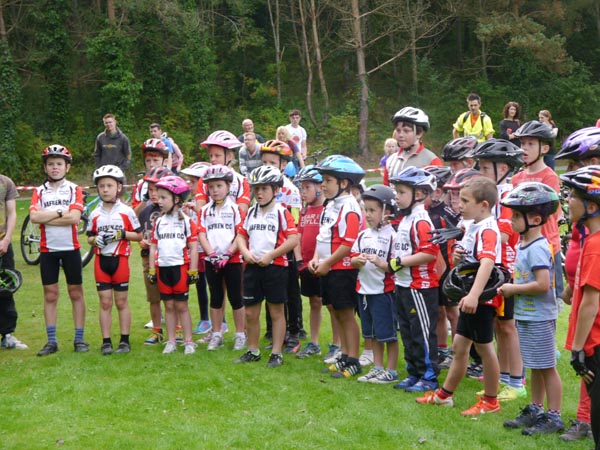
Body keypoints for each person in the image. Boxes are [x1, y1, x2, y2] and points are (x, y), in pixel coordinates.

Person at [417, 177, 502, 416]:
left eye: (465, 201)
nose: (459, 205)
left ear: (483, 205)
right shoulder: (473, 225)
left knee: (485, 348)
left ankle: (491, 401)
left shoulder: (488, 229)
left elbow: (487, 263)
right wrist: (458, 259)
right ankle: (444, 396)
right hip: (470, 294)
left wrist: (474, 295)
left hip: (481, 298)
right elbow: (470, 259)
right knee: (459, 345)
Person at [499, 182, 565, 435]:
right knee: (535, 365)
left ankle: (554, 415)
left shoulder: (537, 247)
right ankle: (536, 409)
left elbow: (542, 284)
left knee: (547, 367)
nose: (512, 220)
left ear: (536, 219)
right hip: (527, 315)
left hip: (540, 317)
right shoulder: (523, 244)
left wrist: (513, 289)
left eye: (517, 215)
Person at [471, 139, 526, 402]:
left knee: (508, 327)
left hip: (508, 269)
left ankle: (517, 380)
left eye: (485, 168)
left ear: (503, 168)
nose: (480, 173)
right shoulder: (494, 194)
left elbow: (503, 236)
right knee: (498, 324)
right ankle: (504, 376)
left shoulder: (508, 196)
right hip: (496, 269)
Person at [554, 126, 600, 441]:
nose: (568, 200)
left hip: (594, 339)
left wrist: (579, 349)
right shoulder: (588, 237)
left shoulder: (596, 244)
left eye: (573, 196)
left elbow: (591, 303)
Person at [235, 166, 299, 367]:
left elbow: (293, 239)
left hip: (276, 267)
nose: (259, 193)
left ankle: (276, 353)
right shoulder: (250, 212)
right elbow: (240, 236)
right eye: (256, 189)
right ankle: (253, 350)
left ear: (275, 190)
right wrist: (245, 253)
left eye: (264, 188)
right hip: (253, 267)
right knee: (250, 313)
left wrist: (272, 254)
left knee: (276, 311)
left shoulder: (282, 212)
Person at [309, 155, 365, 378]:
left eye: (328, 180)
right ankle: (344, 353)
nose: (323, 185)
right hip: (327, 268)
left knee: (346, 314)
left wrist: (327, 263)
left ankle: (353, 359)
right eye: (323, 180)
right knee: (336, 312)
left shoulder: (350, 207)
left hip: (342, 270)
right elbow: (323, 236)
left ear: (343, 183)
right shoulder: (330, 205)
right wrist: (316, 258)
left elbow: (347, 243)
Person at [30, 145, 88, 356]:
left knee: (76, 292)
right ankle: (51, 341)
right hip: (48, 250)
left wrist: (48, 215)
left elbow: (74, 218)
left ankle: (79, 339)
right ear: (45, 167)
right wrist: (61, 211)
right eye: (51, 164)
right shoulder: (39, 191)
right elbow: (34, 218)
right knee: (50, 294)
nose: (55, 167)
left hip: (71, 248)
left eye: (59, 164)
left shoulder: (74, 189)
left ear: (67, 167)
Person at [386, 167, 440, 392]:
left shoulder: (421, 221)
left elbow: (429, 253)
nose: (396, 197)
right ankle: (414, 372)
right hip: (403, 284)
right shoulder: (406, 219)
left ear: (418, 194)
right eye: (396, 192)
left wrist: (400, 262)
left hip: (420, 287)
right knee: (407, 332)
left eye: (401, 192)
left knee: (421, 333)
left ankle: (429, 376)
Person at [87, 165, 142, 355]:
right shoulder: (95, 213)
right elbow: (89, 236)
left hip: (120, 261)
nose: (105, 190)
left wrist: (121, 234)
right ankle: (106, 341)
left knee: (121, 301)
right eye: (101, 186)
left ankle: (124, 340)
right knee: (104, 302)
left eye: (109, 185)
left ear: (118, 187)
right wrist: (95, 240)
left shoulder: (126, 211)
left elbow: (139, 235)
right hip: (101, 261)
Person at [350, 185, 399, 384]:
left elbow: (396, 266)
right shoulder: (363, 235)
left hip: (383, 293)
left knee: (388, 335)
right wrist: (357, 260)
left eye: (372, 210)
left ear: (386, 212)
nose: (368, 215)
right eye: (366, 210)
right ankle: (377, 367)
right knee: (373, 334)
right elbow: (352, 258)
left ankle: (391, 370)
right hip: (364, 292)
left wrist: (381, 263)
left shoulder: (393, 237)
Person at [259, 140, 304, 352]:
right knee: (271, 292)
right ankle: (273, 331)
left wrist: (295, 253)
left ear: (283, 165)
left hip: (287, 249)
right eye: (264, 162)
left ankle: (295, 331)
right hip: (266, 247)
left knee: (291, 293)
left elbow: (295, 223)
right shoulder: (261, 187)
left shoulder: (291, 190)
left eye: (272, 163)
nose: (267, 166)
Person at [511, 121, 563, 301]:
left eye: (531, 143)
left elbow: (551, 213)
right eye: (522, 143)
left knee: (549, 300)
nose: (524, 148)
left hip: (547, 245)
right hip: (523, 245)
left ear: (544, 148)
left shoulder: (550, 177)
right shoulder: (516, 178)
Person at [198, 165, 246, 351]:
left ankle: (240, 334)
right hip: (212, 260)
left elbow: (240, 234)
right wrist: (211, 254)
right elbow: (202, 234)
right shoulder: (204, 210)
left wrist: (228, 253)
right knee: (216, 298)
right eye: (211, 187)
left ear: (228, 186)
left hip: (232, 260)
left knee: (236, 298)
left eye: (219, 186)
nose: (215, 190)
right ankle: (216, 334)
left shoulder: (235, 209)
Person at [148, 176, 198, 355]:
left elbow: (193, 247)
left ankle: (189, 341)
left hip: (180, 268)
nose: (159, 201)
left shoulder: (187, 222)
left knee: (181, 306)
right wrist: (152, 268)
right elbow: (153, 246)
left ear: (176, 199)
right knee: (168, 306)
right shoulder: (159, 221)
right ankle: (171, 341)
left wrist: (193, 269)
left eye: (163, 197)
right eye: (158, 197)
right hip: (163, 268)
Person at [422, 165, 460, 370]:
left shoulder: (447, 213)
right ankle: (441, 350)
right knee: (437, 312)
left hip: (449, 269)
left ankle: (458, 352)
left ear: (438, 191)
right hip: (432, 269)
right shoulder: (423, 212)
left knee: (453, 312)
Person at [294, 166, 332, 359]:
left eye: (307, 187)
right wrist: (299, 260)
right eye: (302, 188)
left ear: (319, 187)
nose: (303, 192)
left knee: (333, 305)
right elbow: (298, 235)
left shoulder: (328, 209)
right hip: (307, 264)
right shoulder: (305, 210)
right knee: (314, 302)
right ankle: (314, 343)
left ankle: (337, 344)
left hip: (325, 263)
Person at [138, 166, 172, 345]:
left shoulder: (174, 212)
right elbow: (139, 232)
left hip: (170, 259)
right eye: (150, 190)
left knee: (172, 297)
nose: (153, 194)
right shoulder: (145, 211)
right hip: (148, 259)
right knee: (154, 298)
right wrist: (142, 241)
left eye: (156, 190)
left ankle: (176, 329)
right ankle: (157, 331)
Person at [180, 162, 211, 335]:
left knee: (215, 286)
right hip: (195, 251)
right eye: (189, 182)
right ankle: (204, 319)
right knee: (200, 285)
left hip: (209, 250)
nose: (190, 186)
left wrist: (198, 210)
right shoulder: (190, 202)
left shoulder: (211, 204)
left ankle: (220, 321)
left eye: (193, 182)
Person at [0, 173, 27, 350]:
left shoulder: (5, 182)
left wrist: (6, 240)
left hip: (3, 244)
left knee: (5, 289)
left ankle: (7, 335)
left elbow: (12, 213)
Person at [383, 107, 442, 186]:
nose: (400, 135)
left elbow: (438, 190)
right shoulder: (391, 160)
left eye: (406, 131)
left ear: (419, 133)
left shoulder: (431, 160)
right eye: (398, 130)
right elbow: (386, 188)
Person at [131, 138, 170, 216]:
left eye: (155, 160)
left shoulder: (171, 181)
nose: (151, 164)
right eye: (148, 161)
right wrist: (145, 200)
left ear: (165, 161)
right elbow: (134, 215)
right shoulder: (141, 184)